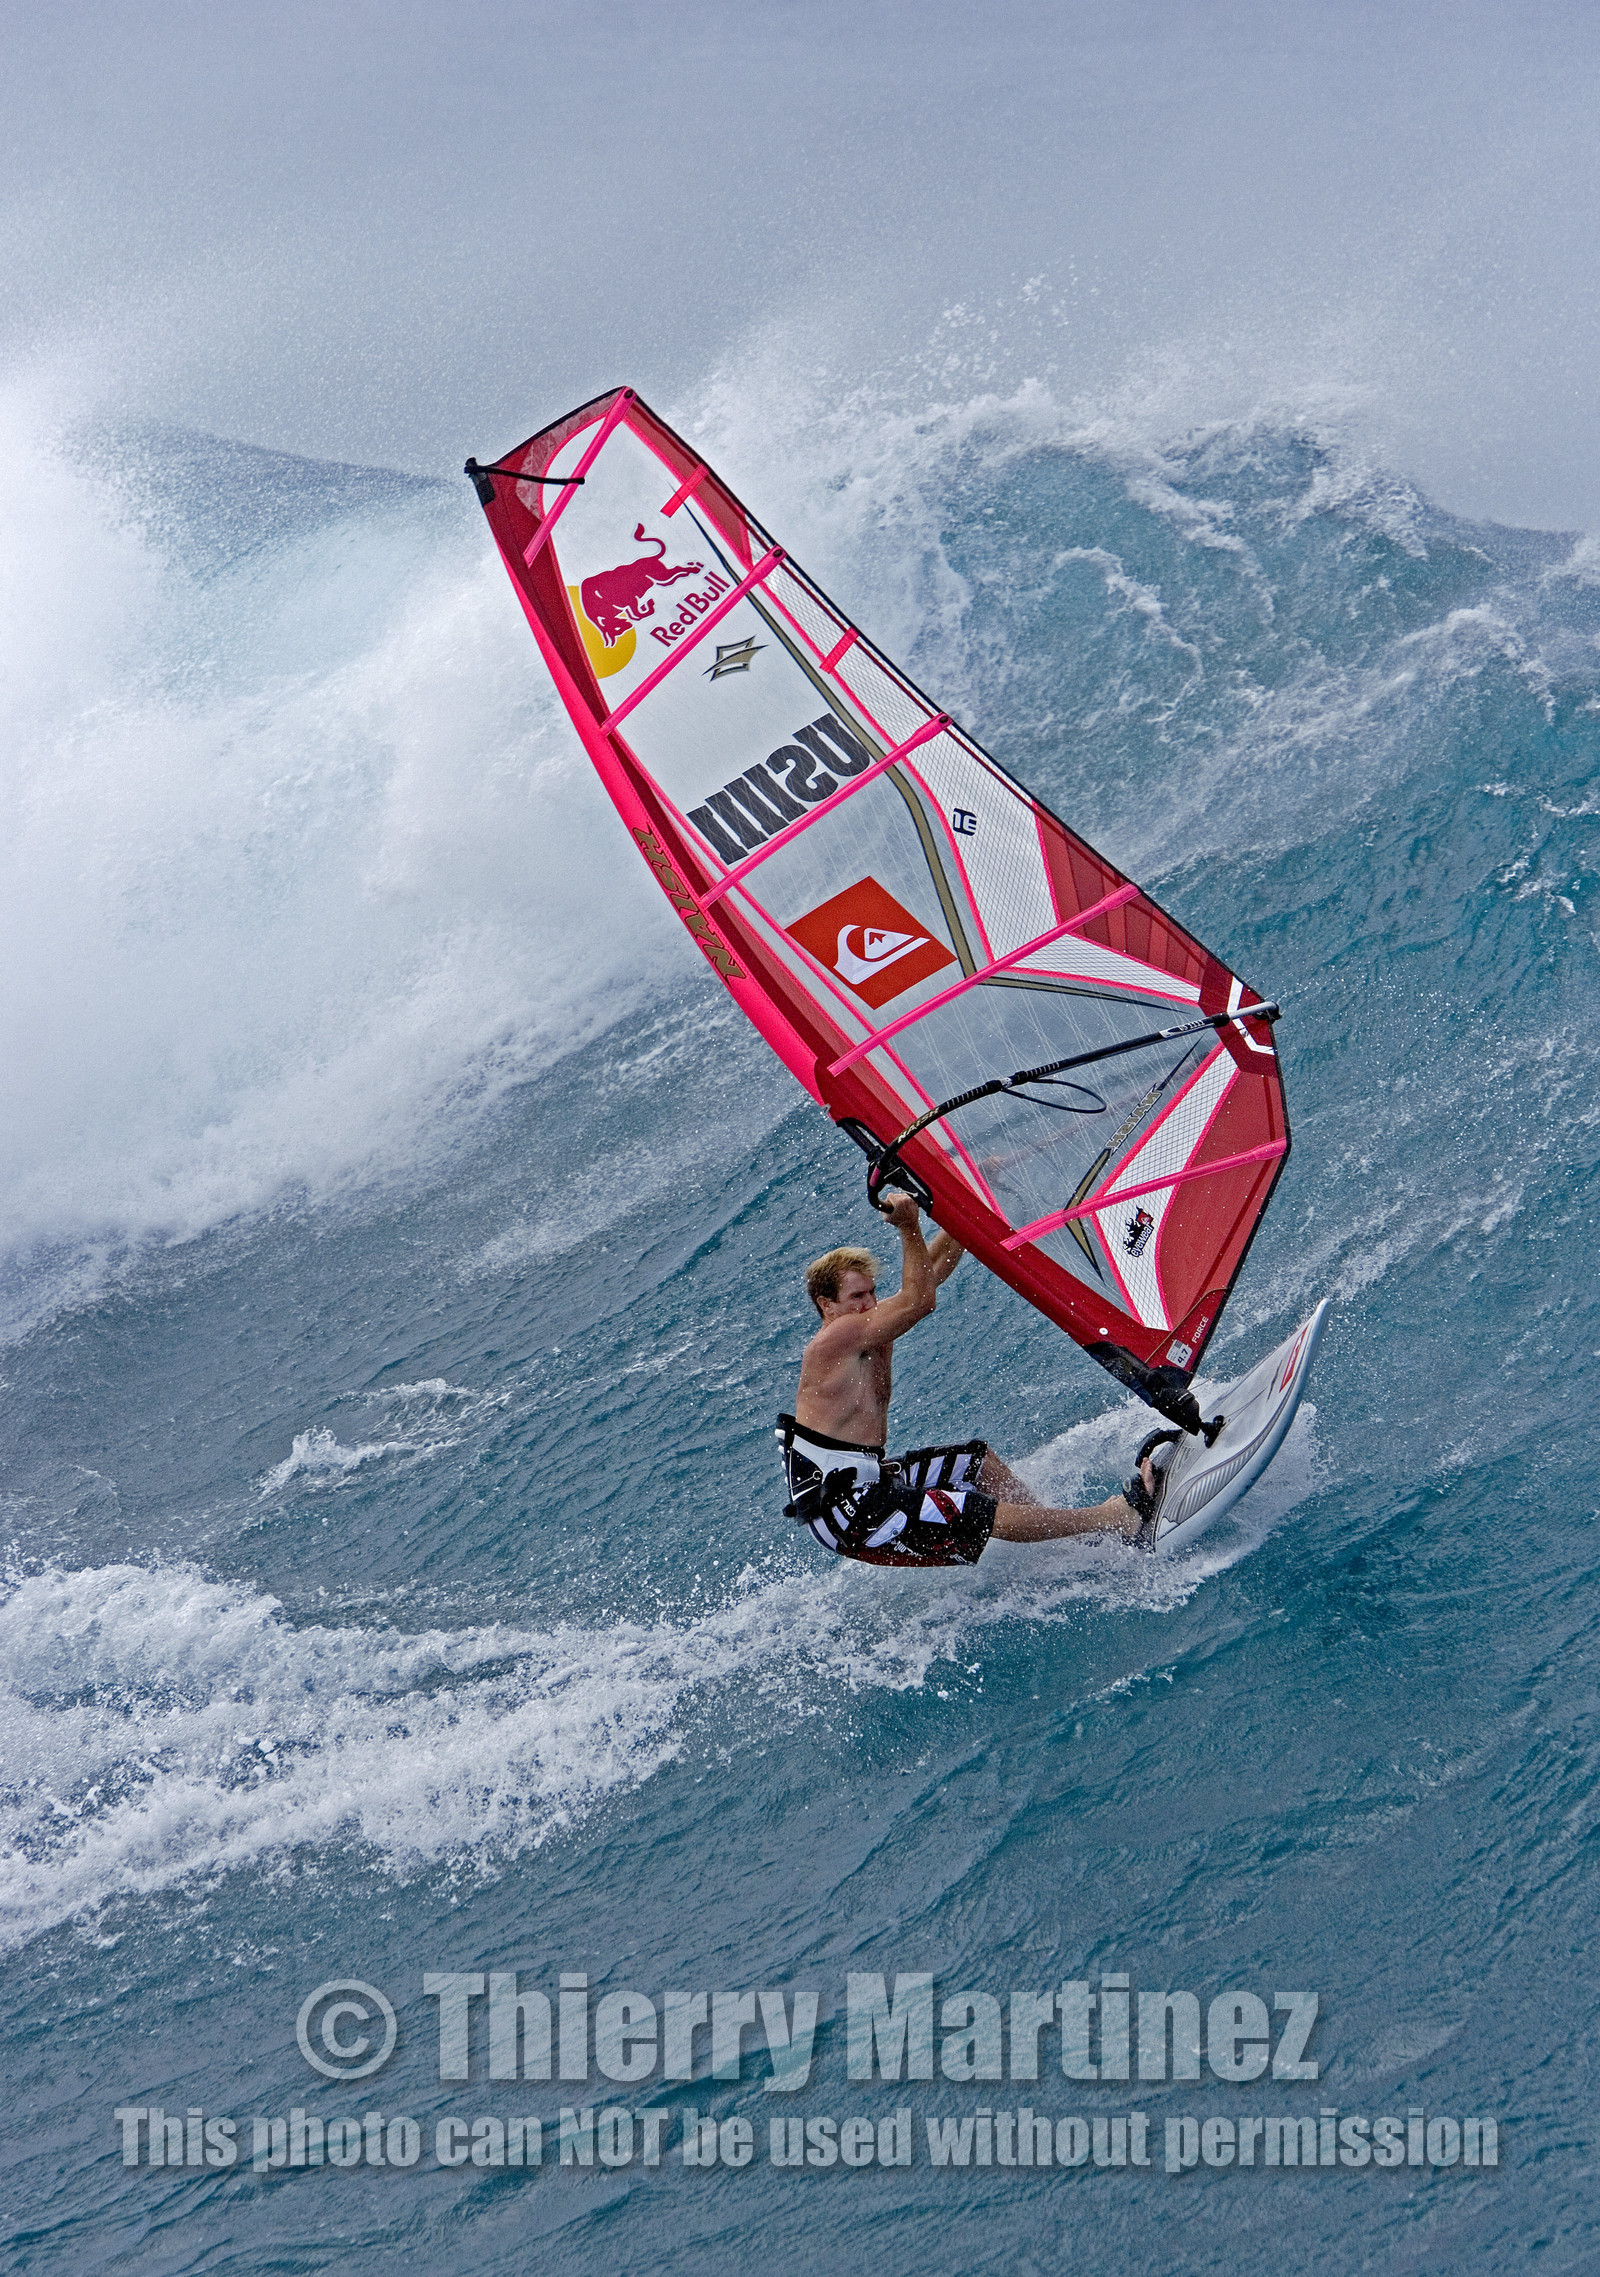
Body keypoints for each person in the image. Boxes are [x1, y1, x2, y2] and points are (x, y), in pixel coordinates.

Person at [776, 1189, 1163, 1567]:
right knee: (977, 1512)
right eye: (857, 1296)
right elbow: (920, 1300)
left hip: (869, 1478)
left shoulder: (865, 1327)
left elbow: (930, 1274)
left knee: (977, 1463)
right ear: (826, 1305)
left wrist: (962, 1208)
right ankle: (1115, 1518)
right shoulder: (834, 1340)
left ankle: (1070, 1540)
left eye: (872, 1293)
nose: (870, 1304)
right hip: (844, 1509)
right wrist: (909, 1226)